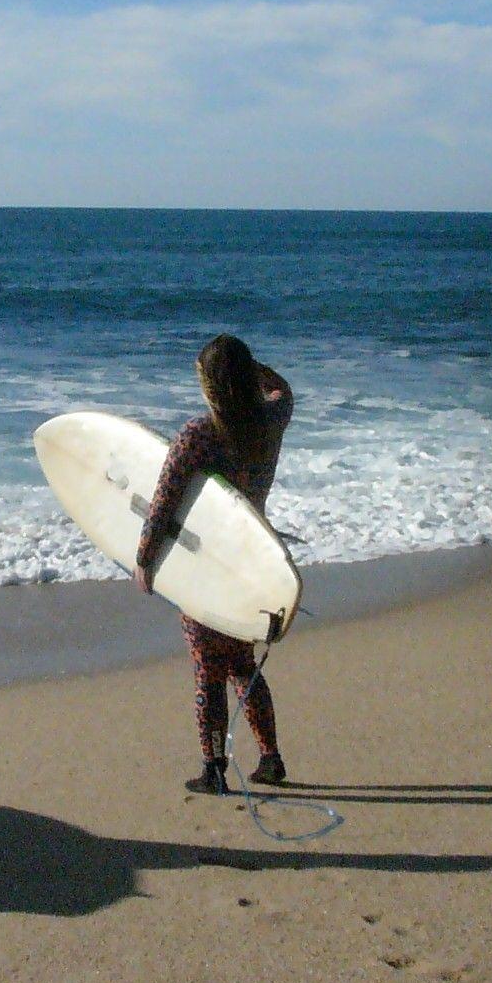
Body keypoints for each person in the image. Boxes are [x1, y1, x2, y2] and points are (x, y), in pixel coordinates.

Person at [135, 335, 295, 795]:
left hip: (206, 563)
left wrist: (145, 559)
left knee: (208, 669)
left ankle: (213, 770)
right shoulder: (271, 421)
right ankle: (271, 758)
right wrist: (255, 369)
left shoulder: (199, 436)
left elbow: (162, 502)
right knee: (242, 663)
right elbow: (284, 390)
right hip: (251, 561)